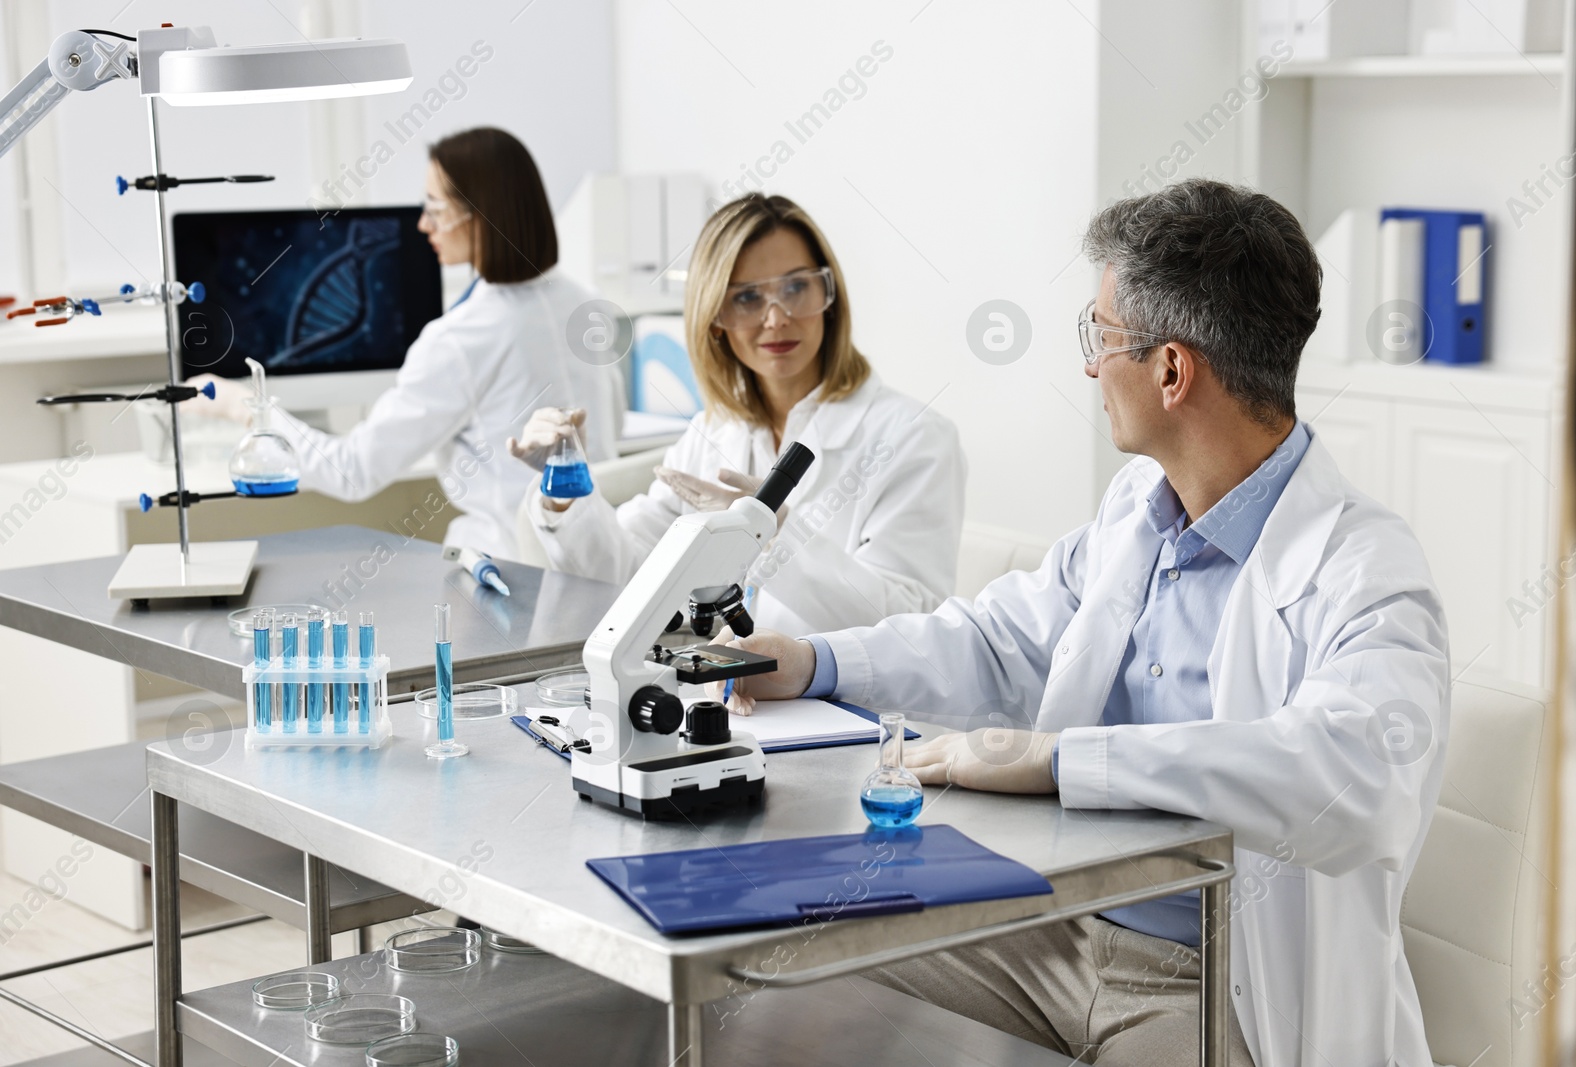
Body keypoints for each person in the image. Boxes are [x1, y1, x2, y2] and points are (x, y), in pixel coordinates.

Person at [726, 180, 1449, 1066]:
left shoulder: (1364, 566)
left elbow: (1360, 781)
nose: (1087, 365)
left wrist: (1062, 762)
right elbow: (998, 638)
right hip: (1048, 930)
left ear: (1171, 370)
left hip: (1214, 973)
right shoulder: (1135, 511)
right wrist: (809, 662)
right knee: (779, 976)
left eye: (1099, 338)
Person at [509, 193, 966, 636]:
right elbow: (626, 571)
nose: (776, 318)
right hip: (740, 701)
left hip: (853, 706)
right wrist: (567, 487)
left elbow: (910, 626)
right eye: (747, 298)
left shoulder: (915, 438)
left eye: (795, 287)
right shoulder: (716, 431)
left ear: (830, 296)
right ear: (715, 320)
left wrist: (773, 532)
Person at [190, 127, 622, 560]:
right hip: (599, 557)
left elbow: (352, 471)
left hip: (516, 569)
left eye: (434, 208)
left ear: (477, 215)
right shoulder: (585, 306)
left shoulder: (460, 338)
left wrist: (241, 405)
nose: (422, 224)